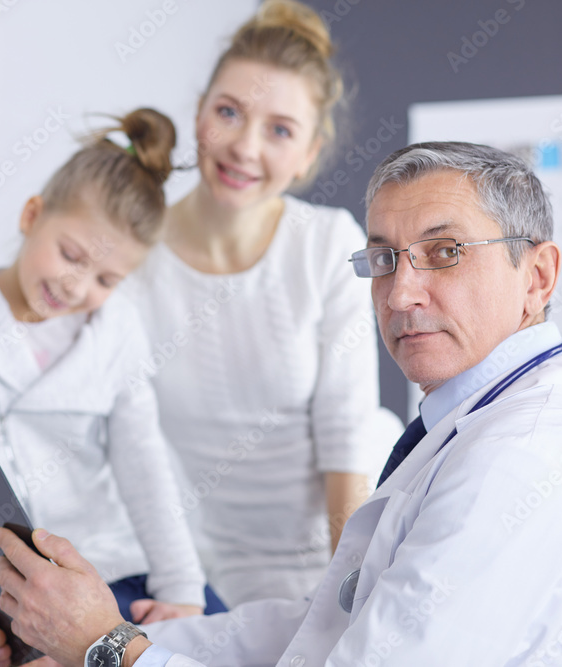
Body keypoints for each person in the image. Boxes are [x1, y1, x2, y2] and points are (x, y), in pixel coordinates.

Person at [0, 141, 562, 666]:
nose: (402, 294)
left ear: (537, 276)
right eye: (384, 258)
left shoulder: (524, 462)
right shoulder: (474, 425)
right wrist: (76, 635)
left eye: (444, 253)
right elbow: (319, 627)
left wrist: (105, 645)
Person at [0, 108, 224, 667]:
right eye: (71, 255)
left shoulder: (117, 330)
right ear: (32, 214)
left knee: (217, 642)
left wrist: (182, 589)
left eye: (107, 280)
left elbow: (145, 466)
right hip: (23, 592)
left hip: (118, 570)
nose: (77, 285)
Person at [118, 0, 400, 607]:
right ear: (198, 113)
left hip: (323, 564)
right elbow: (106, 436)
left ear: (308, 153)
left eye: (279, 129)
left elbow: (346, 436)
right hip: (188, 575)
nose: (245, 147)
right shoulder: (131, 256)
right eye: (228, 112)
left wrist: (342, 603)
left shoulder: (327, 245)